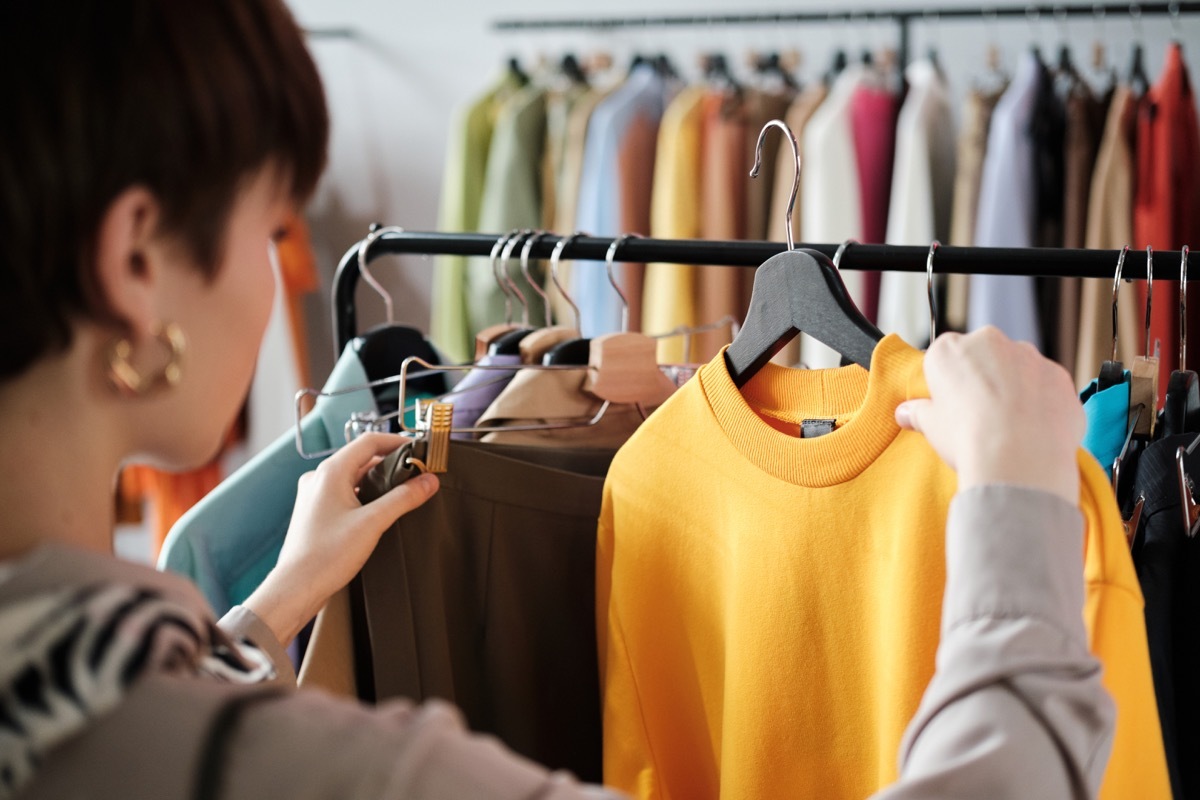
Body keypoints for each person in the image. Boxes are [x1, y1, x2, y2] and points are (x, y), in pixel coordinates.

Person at [0, 2, 1111, 798]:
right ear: (137, 262)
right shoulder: (331, 770)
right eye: (269, 225)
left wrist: (268, 610)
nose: (276, 270)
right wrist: (1018, 499)